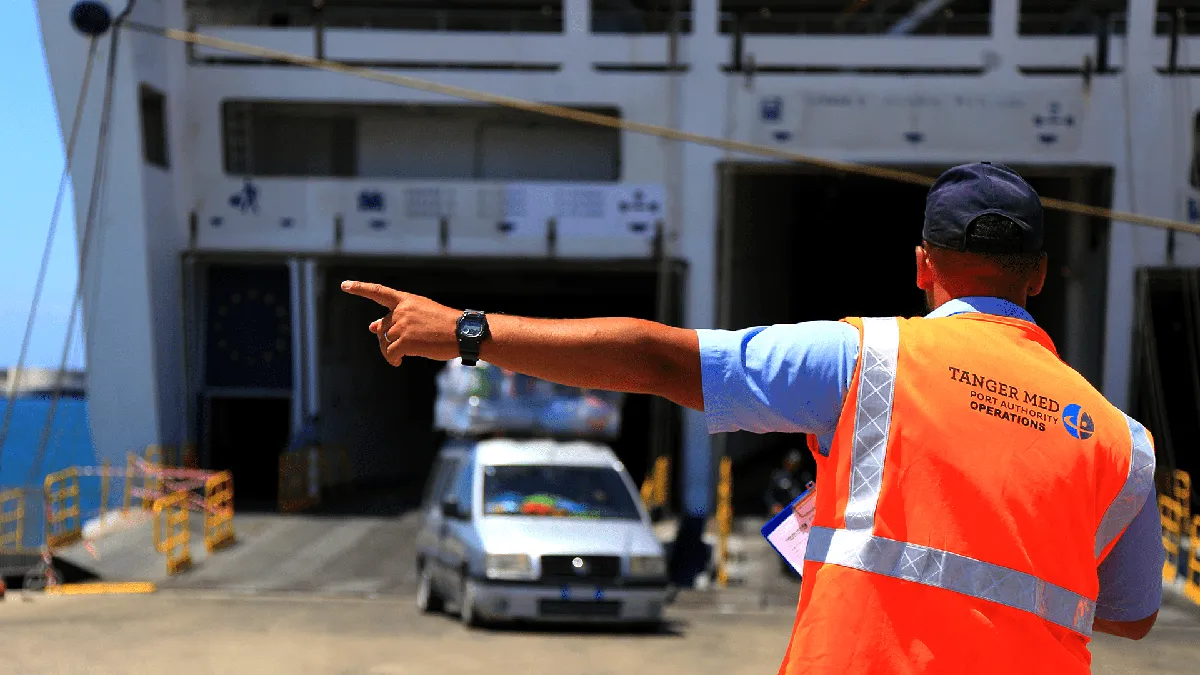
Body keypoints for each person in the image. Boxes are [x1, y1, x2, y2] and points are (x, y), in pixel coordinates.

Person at [341, 163, 1163, 673]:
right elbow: (1130, 613)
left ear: (921, 266)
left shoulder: (864, 359)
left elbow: (659, 357)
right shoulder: (1123, 442)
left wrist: (466, 331)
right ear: (1042, 275)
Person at [765, 449, 807, 516]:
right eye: (790, 462)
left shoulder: (802, 477)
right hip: (784, 511)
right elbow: (768, 494)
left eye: (795, 463)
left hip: (801, 510)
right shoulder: (777, 476)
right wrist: (773, 504)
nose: (792, 465)